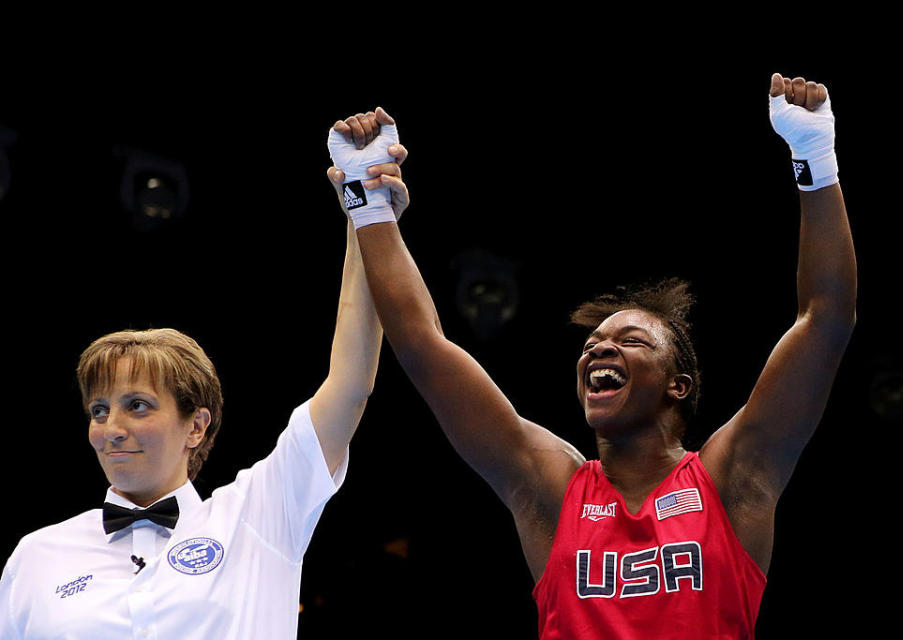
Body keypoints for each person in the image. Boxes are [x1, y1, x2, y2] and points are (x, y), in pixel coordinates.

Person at [325, 72, 856, 638]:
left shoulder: (732, 479)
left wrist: (813, 158)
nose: (601, 347)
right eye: (592, 345)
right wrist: (368, 202)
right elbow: (425, 347)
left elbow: (825, 318)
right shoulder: (551, 489)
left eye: (631, 340)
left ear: (678, 384)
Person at [0, 216, 385, 639]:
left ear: (196, 426)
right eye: (99, 410)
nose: (111, 428)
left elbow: (350, 384)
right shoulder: (36, 558)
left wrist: (364, 209)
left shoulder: (258, 515)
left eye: (138, 406)